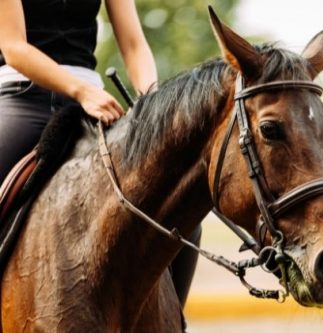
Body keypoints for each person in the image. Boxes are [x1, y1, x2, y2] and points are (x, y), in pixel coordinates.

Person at [0, 0, 198, 311]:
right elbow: (14, 47)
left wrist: (156, 106)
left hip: (92, 105)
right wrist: (80, 91)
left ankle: (175, 319)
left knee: (180, 200)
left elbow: (134, 46)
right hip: (23, 95)